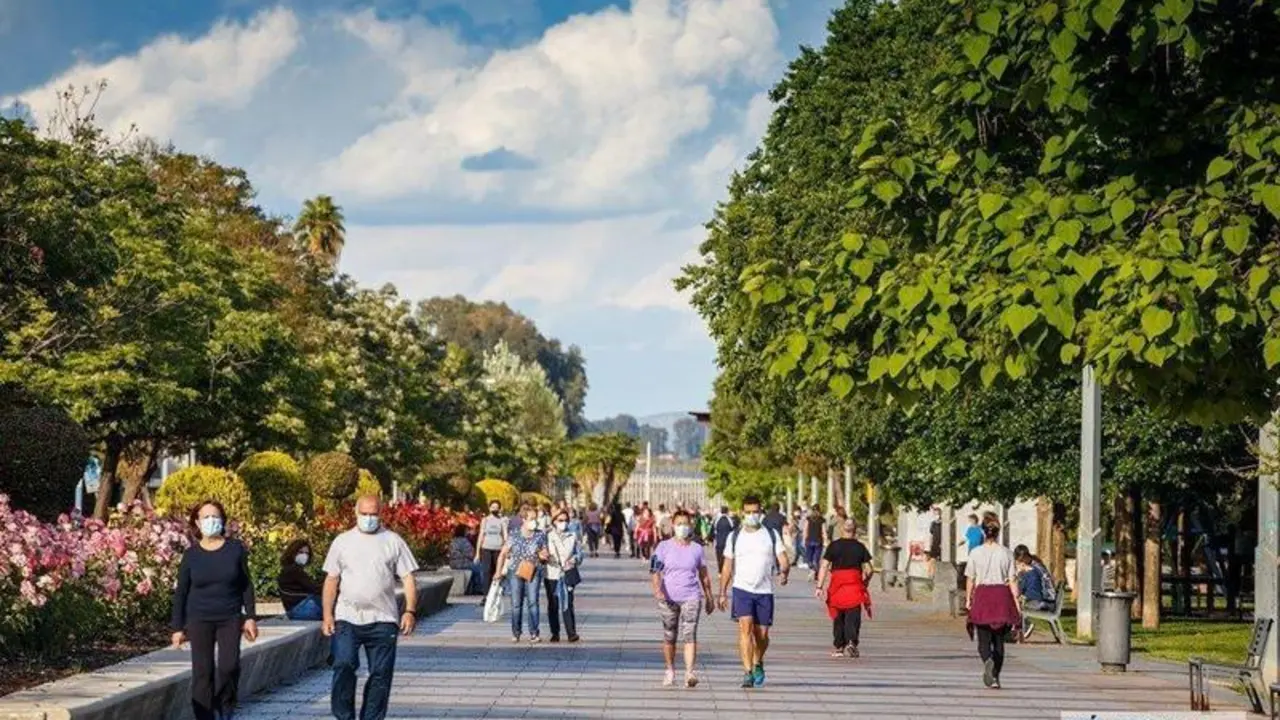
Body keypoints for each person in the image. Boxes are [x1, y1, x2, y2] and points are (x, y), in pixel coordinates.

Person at [322, 495, 419, 720]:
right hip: (347, 617)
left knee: (381, 675)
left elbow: (408, 578)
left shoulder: (393, 541)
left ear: (381, 514)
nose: (369, 518)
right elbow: (331, 580)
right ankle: (344, 716)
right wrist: (327, 615)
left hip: (383, 619)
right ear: (356, 513)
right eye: (364, 514)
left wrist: (410, 610)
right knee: (344, 664)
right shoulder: (342, 542)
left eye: (373, 514)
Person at [171, 501, 259, 720]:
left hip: (229, 616)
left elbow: (246, 584)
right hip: (199, 619)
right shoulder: (191, 555)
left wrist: (250, 617)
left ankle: (225, 707)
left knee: (229, 666)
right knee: (203, 672)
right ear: (197, 523)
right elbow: (181, 592)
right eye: (206, 517)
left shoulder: (235, 549)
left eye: (215, 516)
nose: (211, 521)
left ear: (222, 520)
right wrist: (178, 628)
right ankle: (204, 715)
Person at [718, 495, 790, 689]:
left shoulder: (771, 534)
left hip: (765, 590)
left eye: (755, 512)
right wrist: (722, 592)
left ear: (761, 512)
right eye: (748, 512)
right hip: (742, 589)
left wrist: (784, 571)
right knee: (745, 629)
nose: (751, 515)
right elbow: (727, 565)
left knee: (762, 635)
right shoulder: (735, 536)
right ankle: (747, 671)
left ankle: (758, 661)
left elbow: (783, 558)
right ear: (742, 513)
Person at [651, 510, 715, 688]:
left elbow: (704, 575)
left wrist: (709, 596)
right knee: (669, 635)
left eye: (686, 524)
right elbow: (655, 571)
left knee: (690, 634)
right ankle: (670, 670)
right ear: (672, 524)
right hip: (668, 597)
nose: (682, 527)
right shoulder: (663, 547)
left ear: (691, 525)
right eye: (679, 524)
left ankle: (689, 672)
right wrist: (657, 590)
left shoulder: (697, 548)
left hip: (691, 597)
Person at [964, 517, 1019, 689]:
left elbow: (970, 579)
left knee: (983, 639)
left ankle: (987, 659)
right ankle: (995, 677)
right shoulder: (1007, 553)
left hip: (983, 595)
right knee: (999, 641)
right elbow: (1012, 580)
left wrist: (968, 599)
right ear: (998, 532)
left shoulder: (975, 553)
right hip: (1001, 596)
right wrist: (1016, 603)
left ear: (983, 531)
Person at [816, 519, 873, 658]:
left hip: (837, 586)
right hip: (854, 585)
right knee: (853, 615)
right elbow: (869, 569)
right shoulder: (860, 547)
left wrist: (819, 586)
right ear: (855, 530)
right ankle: (852, 641)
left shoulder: (833, 546)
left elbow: (824, 566)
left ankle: (839, 647)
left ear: (842, 529)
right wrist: (865, 582)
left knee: (838, 616)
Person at [497, 505, 550, 642]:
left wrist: (544, 555)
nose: (535, 521)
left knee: (533, 601)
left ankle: (534, 632)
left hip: (534, 570)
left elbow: (545, 552)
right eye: (532, 519)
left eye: (535, 519)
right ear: (523, 519)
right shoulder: (514, 534)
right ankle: (516, 632)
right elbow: (503, 553)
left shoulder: (540, 535)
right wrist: (498, 572)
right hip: (515, 571)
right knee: (516, 603)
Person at [545, 508, 582, 643]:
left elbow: (579, 554)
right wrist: (545, 556)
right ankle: (555, 633)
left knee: (568, 602)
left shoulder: (573, 535)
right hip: (552, 573)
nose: (563, 523)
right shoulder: (548, 536)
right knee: (553, 604)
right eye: (560, 520)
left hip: (567, 572)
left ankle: (571, 633)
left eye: (566, 520)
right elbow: (542, 551)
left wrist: (575, 559)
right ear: (554, 521)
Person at [1014, 545, 1056, 639]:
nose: (1019, 563)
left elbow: (1029, 590)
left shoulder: (1032, 570)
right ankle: (1019, 628)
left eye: (1020, 561)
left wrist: (1019, 575)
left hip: (1045, 601)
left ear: (1024, 558)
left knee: (1016, 605)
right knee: (1017, 603)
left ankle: (1026, 625)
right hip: (1046, 598)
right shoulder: (1035, 566)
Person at [279, 538, 323, 621]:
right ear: (292, 552)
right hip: (300, 610)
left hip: (297, 609)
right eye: (301, 552)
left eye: (307, 553)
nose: (304, 556)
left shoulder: (290, 569)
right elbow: (314, 588)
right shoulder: (294, 570)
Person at [475, 501, 508, 587]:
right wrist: (477, 553)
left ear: (499, 509)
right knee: (486, 571)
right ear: (489, 508)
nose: (495, 509)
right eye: (493, 507)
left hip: (498, 549)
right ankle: (486, 594)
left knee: (496, 571)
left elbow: (505, 535)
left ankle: (493, 592)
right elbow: (481, 535)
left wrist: (507, 548)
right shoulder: (485, 520)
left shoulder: (502, 520)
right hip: (486, 548)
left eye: (496, 507)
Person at [803, 504, 826, 581]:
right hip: (818, 541)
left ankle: (812, 570)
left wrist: (804, 540)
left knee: (809, 558)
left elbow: (805, 530)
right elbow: (824, 531)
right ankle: (815, 573)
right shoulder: (822, 519)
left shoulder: (808, 519)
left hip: (809, 541)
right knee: (816, 559)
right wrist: (826, 540)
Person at [713, 506, 735, 572]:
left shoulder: (717, 520)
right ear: (727, 511)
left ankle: (720, 572)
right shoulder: (730, 520)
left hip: (719, 542)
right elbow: (733, 529)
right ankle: (727, 571)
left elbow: (713, 530)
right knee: (727, 558)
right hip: (728, 543)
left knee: (719, 558)